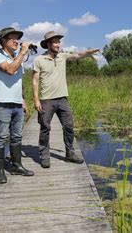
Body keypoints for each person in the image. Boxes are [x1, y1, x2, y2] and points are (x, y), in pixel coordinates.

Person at [32, 31, 99, 168]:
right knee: (45, 128)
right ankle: (44, 155)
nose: (58, 44)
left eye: (58, 42)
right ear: (48, 44)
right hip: (46, 100)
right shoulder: (39, 60)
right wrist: (36, 100)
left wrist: (89, 52)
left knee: (69, 127)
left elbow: (78, 55)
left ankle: (70, 154)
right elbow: (35, 81)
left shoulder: (62, 56)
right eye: (55, 42)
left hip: (62, 99)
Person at [0, 27, 34, 184]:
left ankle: (16, 166)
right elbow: (9, 70)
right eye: (12, 38)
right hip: (2, 104)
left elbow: (18, 81)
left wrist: (23, 100)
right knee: (1, 137)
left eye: (17, 38)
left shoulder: (17, 58)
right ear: (3, 41)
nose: (16, 41)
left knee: (17, 136)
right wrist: (22, 52)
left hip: (17, 104)